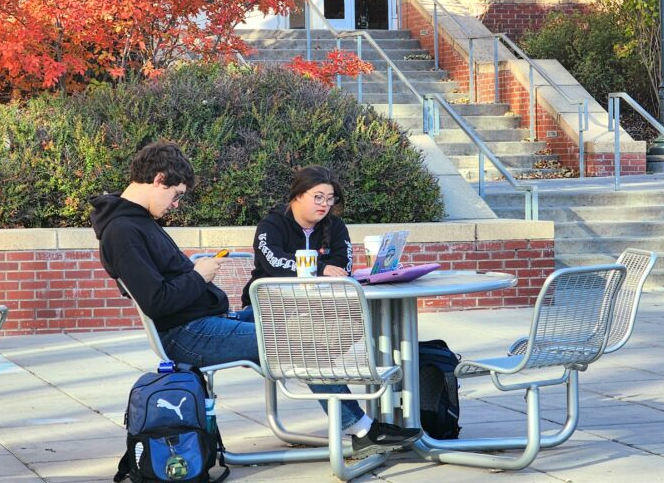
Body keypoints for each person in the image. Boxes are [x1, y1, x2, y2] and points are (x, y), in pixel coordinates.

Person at [89, 142, 420, 457]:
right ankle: (362, 430)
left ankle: (336, 371)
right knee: (301, 344)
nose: (175, 205)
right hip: (187, 334)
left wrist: (197, 278)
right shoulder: (124, 231)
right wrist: (199, 275)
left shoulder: (136, 223)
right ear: (159, 180)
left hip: (206, 323)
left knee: (305, 330)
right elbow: (156, 301)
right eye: (176, 195)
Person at [240, 165, 353, 310]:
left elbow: (342, 266)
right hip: (268, 307)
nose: (325, 204)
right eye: (318, 197)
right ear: (298, 195)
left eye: (330, 199)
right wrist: (320, 269)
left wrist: (324, 270)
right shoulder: (271, 225)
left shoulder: (336, 226)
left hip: (321, 306)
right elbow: (274, 262)